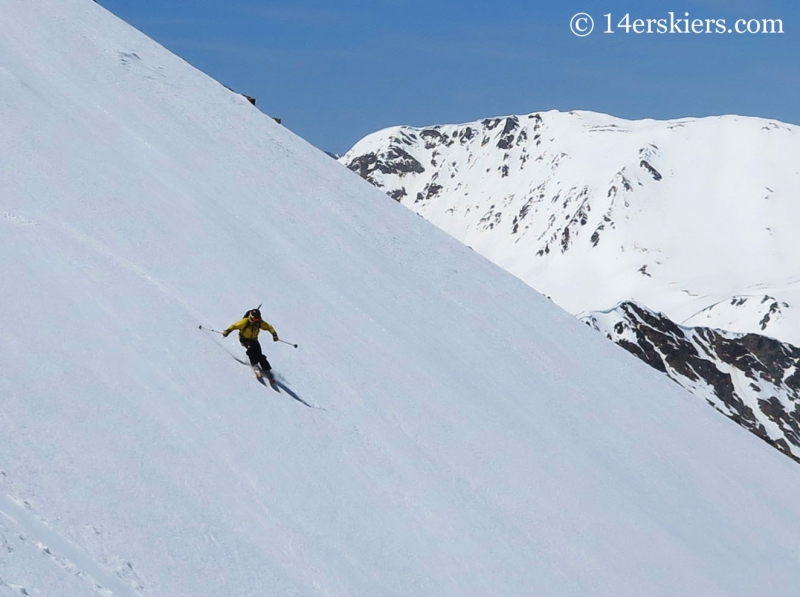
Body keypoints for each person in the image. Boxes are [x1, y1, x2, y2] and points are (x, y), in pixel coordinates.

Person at [222, 308, 279, 379]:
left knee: (259, 354)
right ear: (251, 317)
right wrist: (227, 331)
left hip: (254, 339)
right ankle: (254, 365)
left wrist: (274, 334)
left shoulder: (259, 322)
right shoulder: (245, 322)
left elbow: (269, 327)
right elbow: (234, 326)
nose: (256, 320)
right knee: (251, 349)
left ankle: (267, 369)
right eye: (255, 318)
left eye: (258, 318)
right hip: (244, 339)